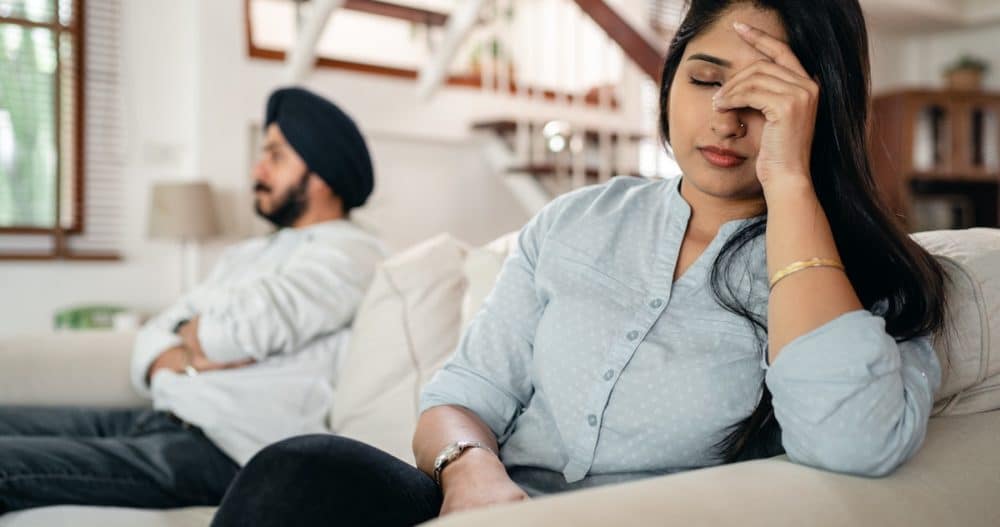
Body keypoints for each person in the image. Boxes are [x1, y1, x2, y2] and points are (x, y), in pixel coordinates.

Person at [210, 2, 948, 526]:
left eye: (765, 97)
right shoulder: (575, 221)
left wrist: (790, 182)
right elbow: (461, 396)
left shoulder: (857, 277)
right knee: (295, 470)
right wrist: (471, 471)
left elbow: (852, 440)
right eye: (704, 78)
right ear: (669, 81)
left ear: (817, 108)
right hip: (477, 503)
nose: (725, 116)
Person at [0, 87, 387, 513]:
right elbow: (154, 333)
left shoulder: (353, 253)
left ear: (323, 172)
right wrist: (188, 354)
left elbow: (229, 334)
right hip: (159, 418)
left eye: (275, 156)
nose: (256, 170)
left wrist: (196, 332)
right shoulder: (251, 253)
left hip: (221, 451)